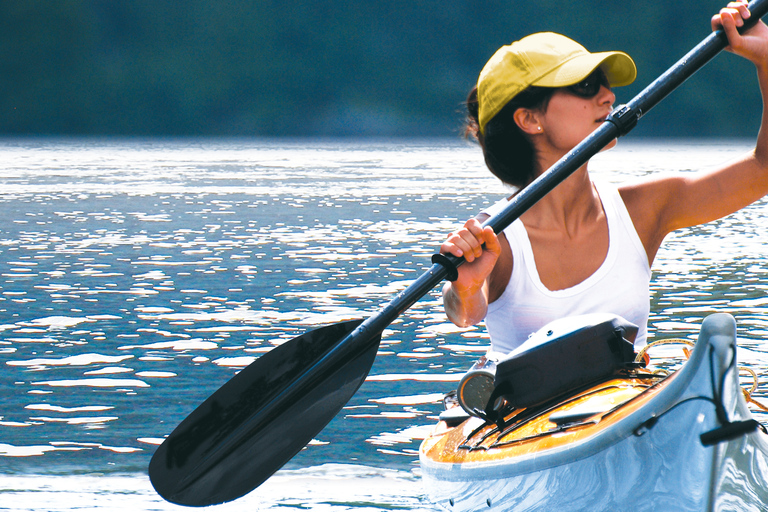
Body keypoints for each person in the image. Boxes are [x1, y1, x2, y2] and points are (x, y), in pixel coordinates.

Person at [440, 1, 768, 354]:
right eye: (585, 87)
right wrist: (467, 288)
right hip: (523, 405)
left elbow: (763, 169)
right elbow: (464, 315)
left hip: (631, 400)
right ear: (529, 120)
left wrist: (766, 58)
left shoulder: (644, 209)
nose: (608, 97)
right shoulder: (493, 238)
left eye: (603, 85)